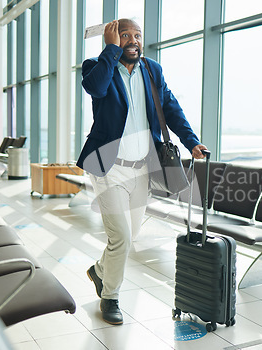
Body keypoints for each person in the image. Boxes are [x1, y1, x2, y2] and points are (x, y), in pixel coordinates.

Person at [77, 18, 207, 325]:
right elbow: (95, 89)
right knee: (120, 236)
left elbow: (170, 107)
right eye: (125, 35)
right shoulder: (97, 65)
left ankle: (99, 269)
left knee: (130, 235)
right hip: (107, 166)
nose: (133, 40)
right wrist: (110, 49)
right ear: (113, 39)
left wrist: (192, 142)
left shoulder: (153, 70)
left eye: (137, 35)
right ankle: (110, 297)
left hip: (141, 169)